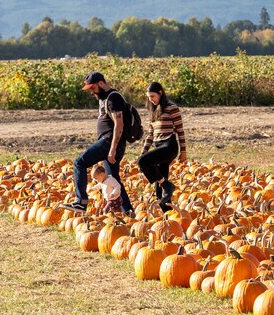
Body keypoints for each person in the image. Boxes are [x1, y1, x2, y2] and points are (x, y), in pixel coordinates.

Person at [62, 71, 134, 215]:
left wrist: (112, 148)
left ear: (101, 83)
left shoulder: (113, 98)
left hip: (109, 142)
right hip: (109, 143)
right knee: (113, 178)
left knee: (79, 163)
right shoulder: (105, 97)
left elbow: (119, 125)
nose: (91, 92)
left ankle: (81, 202)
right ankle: (128, 212)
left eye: (92, 88)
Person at [137, 82, 187, 212]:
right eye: (148, 97)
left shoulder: (171, 107)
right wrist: (143, 151)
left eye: (152, 96)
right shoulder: (153, 110)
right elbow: (150, 134)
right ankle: (168, 215)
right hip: (158, 145)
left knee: (142, 162)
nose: (150, 99)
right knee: (159, 191)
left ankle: (167, 185)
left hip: (169, 146)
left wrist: (183, 151)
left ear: (160, 93)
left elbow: (180, 130)